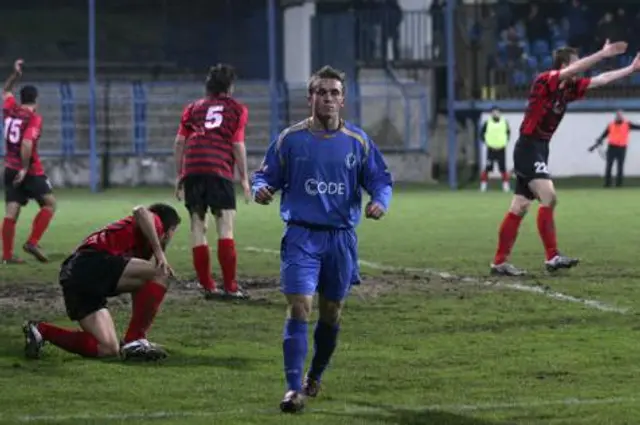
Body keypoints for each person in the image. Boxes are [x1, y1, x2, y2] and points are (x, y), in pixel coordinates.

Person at [251, 65, 393, 413]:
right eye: (321, 92)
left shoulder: (358, 141)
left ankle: (315, 374)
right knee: (300, 305)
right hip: (301, 235)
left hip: (340, 240)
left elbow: (380, 179)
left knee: (332, 313)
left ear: (343, 100)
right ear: (310, 97)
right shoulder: (290, 139)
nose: (327, 98)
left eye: (334, 92)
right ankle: (292, 388)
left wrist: (379, 201)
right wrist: (261, 190)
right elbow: (264, 176)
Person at [491, 41, 639, 276]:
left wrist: (630, 69)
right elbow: (573, 71)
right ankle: (552, 256)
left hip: (540, 148)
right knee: (549, 196)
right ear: (563, 65)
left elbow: (601, 80)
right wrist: (602, 53)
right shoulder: (545, 79)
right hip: (528, 147)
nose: (579, 68)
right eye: (574, 63)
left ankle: (499, 262)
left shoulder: (568, 90)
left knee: (519, 206)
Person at [22, 203, 181, 361]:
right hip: (91, 262)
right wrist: (160, 252)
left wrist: (157, 252)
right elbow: (139, 210)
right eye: (174, 231)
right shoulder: (156, 222)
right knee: (162, 273)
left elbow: (141, 287)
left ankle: (41, 330)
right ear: (170, 229)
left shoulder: (141, 247)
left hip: (74, 275)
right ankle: (135, 339)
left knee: (108, 348)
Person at [174, 64, 250, 300]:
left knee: (198, 227)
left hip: (193, 169)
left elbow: (179, 142)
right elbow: (237, 145)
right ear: (230, 86)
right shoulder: (236, 110)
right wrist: (245, 178)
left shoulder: (193, 108)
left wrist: (180, 175)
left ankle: (207, 285)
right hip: (218, 169)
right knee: (225, 226)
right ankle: (230, 286)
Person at [2, 59, 56, 264]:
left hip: (9, 167)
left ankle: (7, 256)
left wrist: (14, 76)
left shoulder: (9, 110)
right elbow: (26, 143)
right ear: (36, 100)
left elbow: (5, 91)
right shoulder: (33, 118)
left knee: (11, 212)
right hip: (29, 170)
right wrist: (25, 169)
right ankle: (32, 242)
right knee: (50, 204)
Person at [588, 110, 640, 187]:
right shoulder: (610, 125)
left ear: (622, 116)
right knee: (609, 166)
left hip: (622, 148)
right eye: (618, 115)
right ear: (616, 116)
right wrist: (599, 140)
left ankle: (619, 184)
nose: (619, 117)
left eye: (620, 115)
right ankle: (607, 183)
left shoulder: (627, 124)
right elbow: (604, 134)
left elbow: (638, 127)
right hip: (612, 147)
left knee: (620, 166)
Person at [480, 106, 511, 193]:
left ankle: (505, 186)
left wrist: (504, 142)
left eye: (497, 112)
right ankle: (483, 186)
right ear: (491, 113)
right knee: (487, 167)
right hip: (491, 149)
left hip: (501, 149)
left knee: (503, 168)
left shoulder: (504, 122)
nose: (495, 113)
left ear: (499, 113)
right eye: (494, 112)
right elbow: (481, 133)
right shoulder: (487, 123)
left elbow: (508, 133)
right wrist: (486, 141)